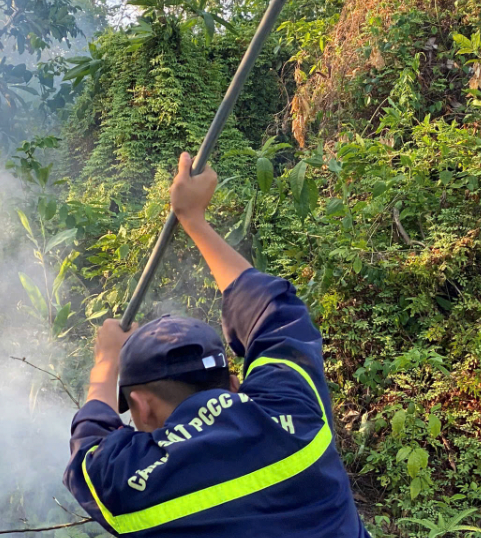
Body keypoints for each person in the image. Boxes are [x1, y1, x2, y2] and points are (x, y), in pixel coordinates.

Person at [63, 152, 370, 538]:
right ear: (234, 383)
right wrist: (194, 219)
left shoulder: (134, 487)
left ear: (141, 408)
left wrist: (106, 359)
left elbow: (88, 450)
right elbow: (275, 310)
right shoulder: (296, 407)